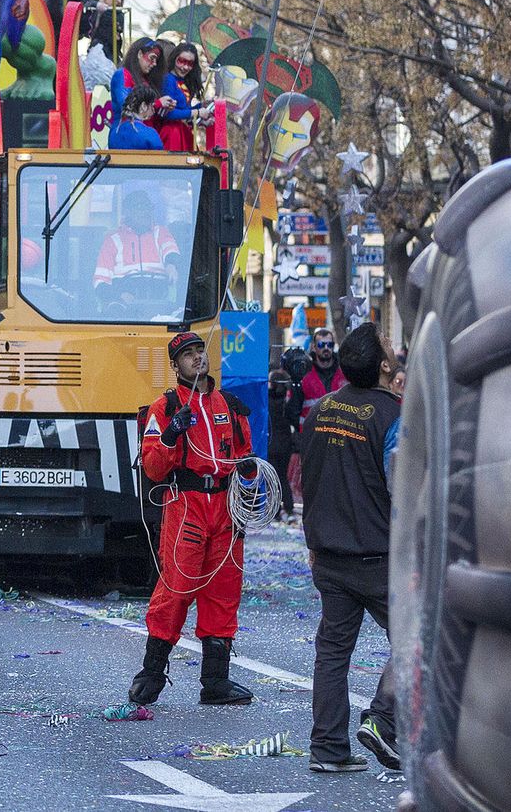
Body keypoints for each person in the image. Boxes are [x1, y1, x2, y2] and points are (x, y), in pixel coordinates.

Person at [127, 331, 257, 708]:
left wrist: (247, 472)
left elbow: (245, 458)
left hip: (225, 505)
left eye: (200, 350)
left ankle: (215, 681)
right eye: (188, 354)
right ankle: (152, 672)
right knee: (177, 588)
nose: (197, 358)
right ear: (175, 365)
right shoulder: (165, 408)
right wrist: (170, 435)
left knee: (224, 589)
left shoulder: (230, 405)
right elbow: (152, 467)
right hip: (187, 504)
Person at [298, 323, 401, 772]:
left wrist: (313, 541)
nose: (394, 350)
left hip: (329, 555)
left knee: (333, 653)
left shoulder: (320, 410)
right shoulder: (394, 416)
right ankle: (382, 719)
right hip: (379, 558)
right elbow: (404, 489)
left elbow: (309, 481)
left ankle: (328, 749)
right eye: (388, 346)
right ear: (383, 365)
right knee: (420, 639)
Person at [92, 191, 181, 303]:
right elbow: (100, 282)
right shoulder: (112, 240)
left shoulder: (160, 232)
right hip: (124, 303)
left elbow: (170, 249)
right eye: (140, 207)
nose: (146, 212)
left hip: (158, 299)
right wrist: (119, 296)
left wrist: (171, 265)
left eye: (148, 207)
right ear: (127, 212)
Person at [266, 368, 302, 521]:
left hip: (272, 444)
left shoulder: (267, 402)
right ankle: (288, 506)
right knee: (283, 477)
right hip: (285, 445)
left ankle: (275, 510)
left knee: (273, 479)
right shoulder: (286, 405)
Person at [157, 41, 204, 152]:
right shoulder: (168, 80)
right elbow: (168, 113)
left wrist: (201, 109)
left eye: (190, 63)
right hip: (171, 133)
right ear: (174, 59)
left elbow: (183, 111)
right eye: (181, 61)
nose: (185, 67)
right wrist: (196, 112)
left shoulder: (183, 82)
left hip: (181, 131)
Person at [299, 328, 347, 425]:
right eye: (321, 345)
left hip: (339, 432)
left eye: (330, 345)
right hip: (311, 434)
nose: (326, 348)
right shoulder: (304, 373)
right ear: (314, 347)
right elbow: (293, 409)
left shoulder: (344, 371)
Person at [109, 37, 164, 109]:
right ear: (140, 54)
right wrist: (157, 103)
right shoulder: (122, 74)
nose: (154, 64)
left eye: (156, 60)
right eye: (152, 58)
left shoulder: (145, 78)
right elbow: (126, 105)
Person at [108, 85, 165, 150]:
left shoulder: (114, 133)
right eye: (152, 106)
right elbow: (160, 156)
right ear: (143, 106)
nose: (154, 111)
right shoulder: (150, 133)